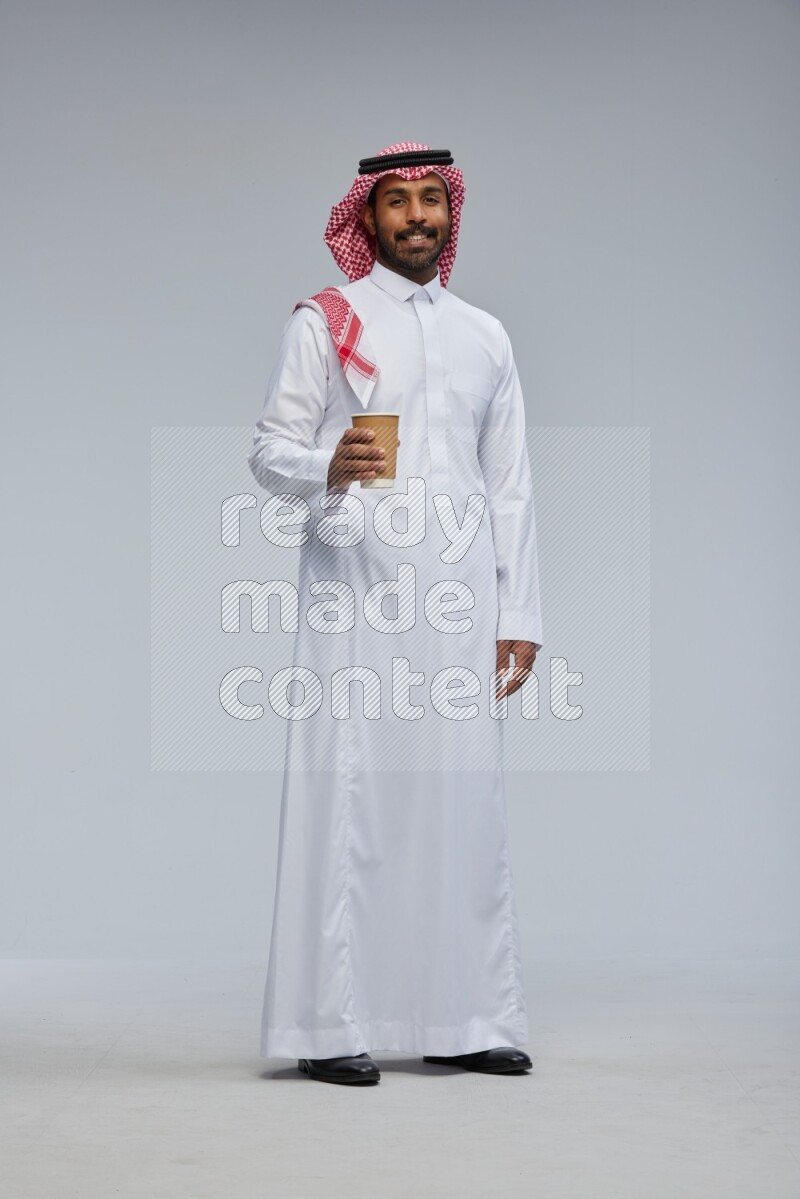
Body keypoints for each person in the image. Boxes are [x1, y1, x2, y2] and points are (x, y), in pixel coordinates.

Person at [247, 143, 543, 1085]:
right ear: (366, 219)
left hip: (461, 606)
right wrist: (328, 461)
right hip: (356, 592)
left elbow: (513, 487)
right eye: (398, 203)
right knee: (352, 798)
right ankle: (327, 1025)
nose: (417, 216)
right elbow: (269, 448)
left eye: (430, 201)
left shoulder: (486, 334)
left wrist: (520, 612)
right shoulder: (327, 320)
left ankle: (467, 1015)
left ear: (449, 215)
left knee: (463, 802)